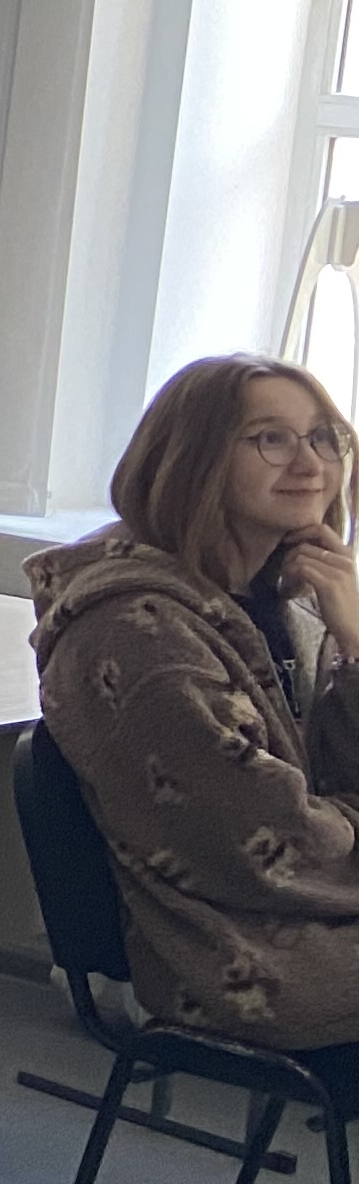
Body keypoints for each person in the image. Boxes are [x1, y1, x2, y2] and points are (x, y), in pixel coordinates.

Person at [32, 355, 359, 1079]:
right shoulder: (140, 633)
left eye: (323, 437)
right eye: (271, 439)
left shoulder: (292, 599)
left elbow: (337, 775)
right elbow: (270, 844)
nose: (311, 463)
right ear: (194, 459)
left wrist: (357, 648)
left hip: (303, 918)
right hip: (227, 952)